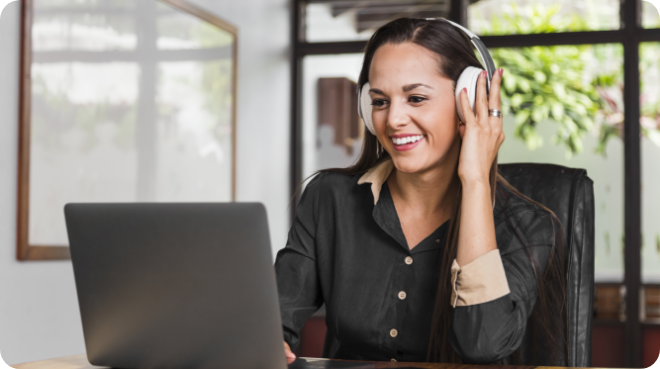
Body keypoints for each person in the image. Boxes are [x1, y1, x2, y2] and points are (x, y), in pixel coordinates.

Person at [275, 17, 567, 365]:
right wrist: (269, 342)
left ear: (470, 102)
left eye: (415, 98)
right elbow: (274, 317)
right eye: (380, 102)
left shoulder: (527, 224)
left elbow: (482, 344)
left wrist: (475, 180)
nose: (393, 119)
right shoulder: (329, 198)